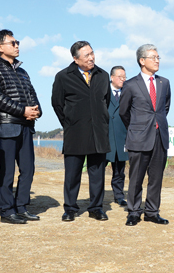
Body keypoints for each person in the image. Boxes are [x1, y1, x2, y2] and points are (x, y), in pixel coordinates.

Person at [0, 30, 42, 224]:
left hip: (26, 126)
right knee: (7, 170)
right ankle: (7, 210)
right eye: (12, 43)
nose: (17, 45)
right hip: (7, 126)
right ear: (0, 47)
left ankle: (22, 207)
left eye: (17, 42)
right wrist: (22, 110)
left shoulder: (23, 72)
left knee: (28, 169)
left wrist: (36, 111)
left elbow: (32, 94)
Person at [52, 41, 111, 222]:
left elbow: (105, 102)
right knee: (72, 174)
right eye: (86, 55)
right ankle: (70, 208)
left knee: (97, 174)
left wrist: (99, 120)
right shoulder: (63, 76)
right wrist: (69, 123)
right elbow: (57, 103)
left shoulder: (102, 75)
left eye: (92, 53)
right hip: (75, 132)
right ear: (75, 59)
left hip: (98, 133)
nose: (91, 57)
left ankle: (96, 208)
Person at [119, 44, 171, 226]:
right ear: (142, 61)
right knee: (136, 178)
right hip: (138, 138)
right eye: (153, 57)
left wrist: (156, 125)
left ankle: (152, 212)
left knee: (156, 178)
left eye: (158, 57)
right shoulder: (130, 84)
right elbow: (123, 112)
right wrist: (137, 128)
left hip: (160, 137)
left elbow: (164, 108)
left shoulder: (164, 82)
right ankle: (134, 212)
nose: (157, 60)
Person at [106, 66, 129, 206]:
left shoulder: (127, 92)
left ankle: (119, 195)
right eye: (120, 76)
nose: (123, 79)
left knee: (120, 170)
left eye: (124, 77)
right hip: (105, 136)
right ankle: (96, 196)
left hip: (122, 136)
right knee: (97, 169)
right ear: (112, 77)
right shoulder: (103, 91)